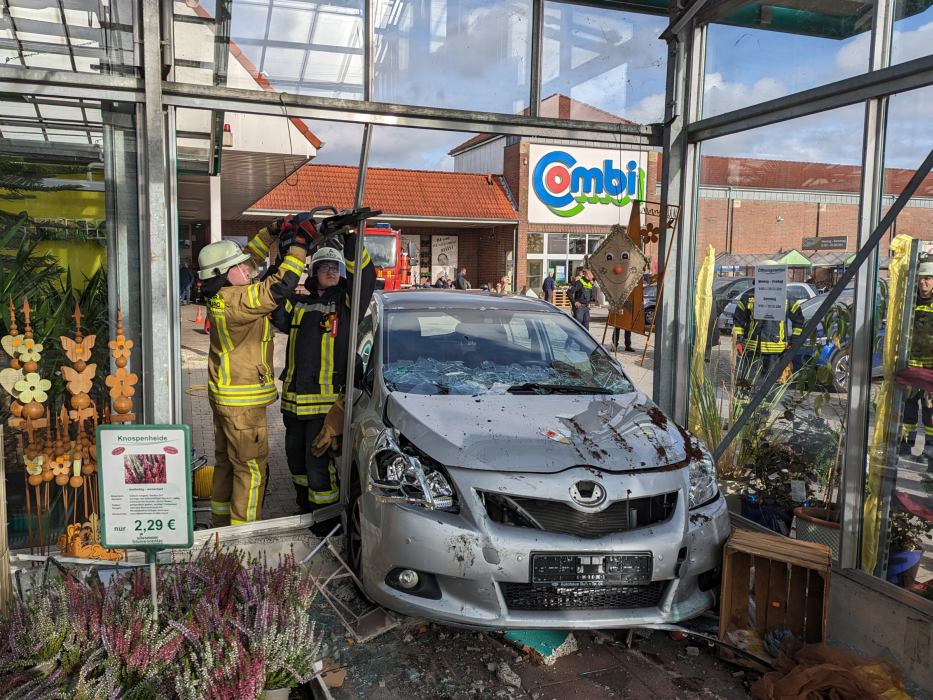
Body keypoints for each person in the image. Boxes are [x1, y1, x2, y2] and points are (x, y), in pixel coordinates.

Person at [199, 216, 312, 527]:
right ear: (224, 273)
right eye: (240, 267)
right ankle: (244, 536)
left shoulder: (221, 296)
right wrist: (299, 246)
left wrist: (272, 231)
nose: (247, 269)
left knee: (226, 463)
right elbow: (282, 285)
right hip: (243, 407)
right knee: (250, 470)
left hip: (226, 399)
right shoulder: (239, 300)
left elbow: (252, 259)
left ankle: (221, 525)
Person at [272, 229, 376, 534]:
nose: (330, 272)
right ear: (314, 272)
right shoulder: (297, 305)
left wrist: (351, 240)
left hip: (325, 407)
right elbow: (274, 298)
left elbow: (365, 278)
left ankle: (328, 522)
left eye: (335, 267)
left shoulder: (346, 304)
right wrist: (286, 251)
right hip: (293, 405)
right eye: (323, 267)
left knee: (319, 466)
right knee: (297, 464)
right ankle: (305, 510)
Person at [732, 267, 806, 388]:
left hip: (776, 352)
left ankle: (766, 407)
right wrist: (738, 341)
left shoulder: (787, 297)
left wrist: (794, 342)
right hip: (752, 350)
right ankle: (747, 405)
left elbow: (799, 321)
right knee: (748, 384)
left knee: (771, 386)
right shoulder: (749, 296)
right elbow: (738, 320)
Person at [900, 259, 933, 468]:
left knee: (930, 412)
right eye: (921, 278)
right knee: (909, 410)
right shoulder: (909, 302)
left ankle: (929, 453)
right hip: (911, 366)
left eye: (928, 278)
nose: (924, 282)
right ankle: (906, 448)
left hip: (931, 369)